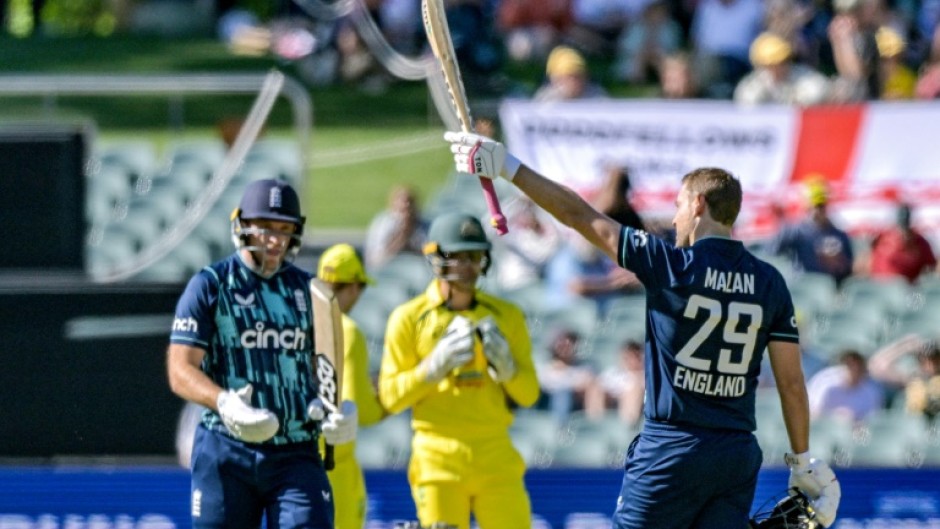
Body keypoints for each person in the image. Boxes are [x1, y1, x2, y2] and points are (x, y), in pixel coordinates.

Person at [443, 132, 841, 528]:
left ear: (699, 204)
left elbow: (581, 217)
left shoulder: (670, 263)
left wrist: (509, 168)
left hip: (672, 447)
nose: (673, 217)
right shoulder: (770, 281)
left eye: (678, 204)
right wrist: (802, 460)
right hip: (735, 454)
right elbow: (791, 383)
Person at [166, 178, 358, 529]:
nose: (274, 240)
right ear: (242, 226)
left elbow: (325, 370)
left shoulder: (311, 291)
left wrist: (337, 411)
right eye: (265, 228)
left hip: (295, 450)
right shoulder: (210, 285)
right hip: (225, 449)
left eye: (284, 230)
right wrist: (224, 402)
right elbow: (180, 370)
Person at [377, 212, 540, 529]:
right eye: (458, 256)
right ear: (435, 256)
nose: (468, 266)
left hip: (495, 453)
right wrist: (432, 368)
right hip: (436, 456)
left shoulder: (507, 316)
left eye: (475, 256)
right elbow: (390, 398)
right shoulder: (409, 318)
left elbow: (529, 394)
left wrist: (507, 370)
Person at [316, 243, 389, 529]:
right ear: (353, 287)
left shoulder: (297, 323)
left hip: (295, 461)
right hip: (337, 464)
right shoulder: (348, 330)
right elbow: (363, 412)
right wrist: (392, 396)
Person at [767, 180, 855, 285]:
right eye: (814, 206)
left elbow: (848, 268)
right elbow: (773, 250)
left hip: (830, 287)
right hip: (803, 284)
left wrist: (836, 262)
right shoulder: (795, 231)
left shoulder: (839, 235)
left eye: (821, 206)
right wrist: (782, 223)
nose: (817, 211)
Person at [733, 32, 831, 105]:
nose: (778, 67)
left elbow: (818, 90)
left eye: (783, 61)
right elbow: (746, 103)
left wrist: (795, 99)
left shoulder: (803, 76)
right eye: (771, 64)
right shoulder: (753, 84)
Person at [857, 203, 937, 283]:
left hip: (908, 289)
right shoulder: (881, 238)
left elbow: (932, 266)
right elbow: (863, 264)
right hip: (881, 288)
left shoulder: (919, 241)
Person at [536, 328, 601, 426]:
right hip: (546, 401)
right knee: (562, 395)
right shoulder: (545, 367)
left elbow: (589, 382)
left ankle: (591, 425)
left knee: (564, 394)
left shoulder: (583, 367)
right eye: (561, 343)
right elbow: (542, 385)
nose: (566, 347)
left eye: (570, 343)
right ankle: (558, 428)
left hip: (574, 404)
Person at [868, 334, 940, 421]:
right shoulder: (913, 379)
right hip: (913, 425)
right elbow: (875, 366)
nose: (929, 365)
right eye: (923, 360)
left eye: (934, 359)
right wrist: (906, 347)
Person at [806, 350, 885, 423]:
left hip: (854, 434)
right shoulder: (825, 381)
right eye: (848, 363)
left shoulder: (871, 392)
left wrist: (851, 420)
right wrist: (834, 416)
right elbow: (809, 413)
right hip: (823, 429)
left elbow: (872, 425)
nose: (853, 368)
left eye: (857, 364)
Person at [364, 184, 428, 271]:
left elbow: (429, 256)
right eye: (403, 201)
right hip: (387, 272)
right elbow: (376, 260)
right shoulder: (383, 224)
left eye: (410, 202)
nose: (406, 205)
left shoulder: (423, 226)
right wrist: (402, 235)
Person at [591, 339, 646, 426]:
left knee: (633, 390)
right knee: (596, 389)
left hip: (638, 405)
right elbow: (600, 385)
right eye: (628, 356)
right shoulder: (614, 373)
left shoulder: (646, 374)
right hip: (614, 402)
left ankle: (628, 426)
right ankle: (596, 425)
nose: (632, 359)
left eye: (636, 355)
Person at [534, 45, 608, 101]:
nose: (575, 82)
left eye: (579, 76)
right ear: (555, 79)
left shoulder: (597, 97)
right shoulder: (547, 100)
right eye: (570, 77)